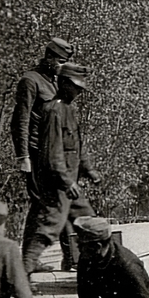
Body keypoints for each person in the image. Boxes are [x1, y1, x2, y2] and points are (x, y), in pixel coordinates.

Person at [22, 63, 95, 272]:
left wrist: (88, 169)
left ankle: (83, 268)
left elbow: (77, 147)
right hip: (57, 184)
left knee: (88, 223)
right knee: (48, 229)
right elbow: (52, 154)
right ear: (63, 83)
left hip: (70, 184)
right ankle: (21, 275)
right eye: (75, 86)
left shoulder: (68, 110)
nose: (79, 91)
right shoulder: (53, 111)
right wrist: (66, 181)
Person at [12, 37, 77, 265]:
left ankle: (71, 257)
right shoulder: (30, 81)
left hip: (54, 154)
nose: (61, 66)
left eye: (64, 62)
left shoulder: (55, 82)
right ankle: (27, 260)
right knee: (42, 207)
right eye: (59, 61)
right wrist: (23, 157)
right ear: (48, 57)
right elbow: (20, 120)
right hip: (37, 153)